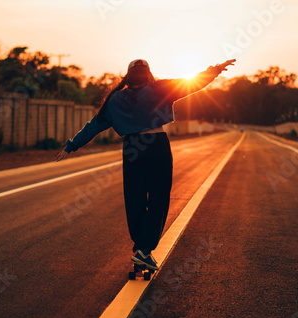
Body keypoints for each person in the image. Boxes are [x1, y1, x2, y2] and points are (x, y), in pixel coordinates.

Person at [56, 58, 235, 270]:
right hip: (156, 144)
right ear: (148, 74)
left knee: (135, 198)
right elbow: (194, 83)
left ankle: (140, 245)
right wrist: (215, 70)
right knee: (158, 197)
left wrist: (71, 145)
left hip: (132, 148)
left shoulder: (115, 99)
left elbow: (93, 126)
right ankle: (144, 249)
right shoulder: (160, 88)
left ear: (128, 76)